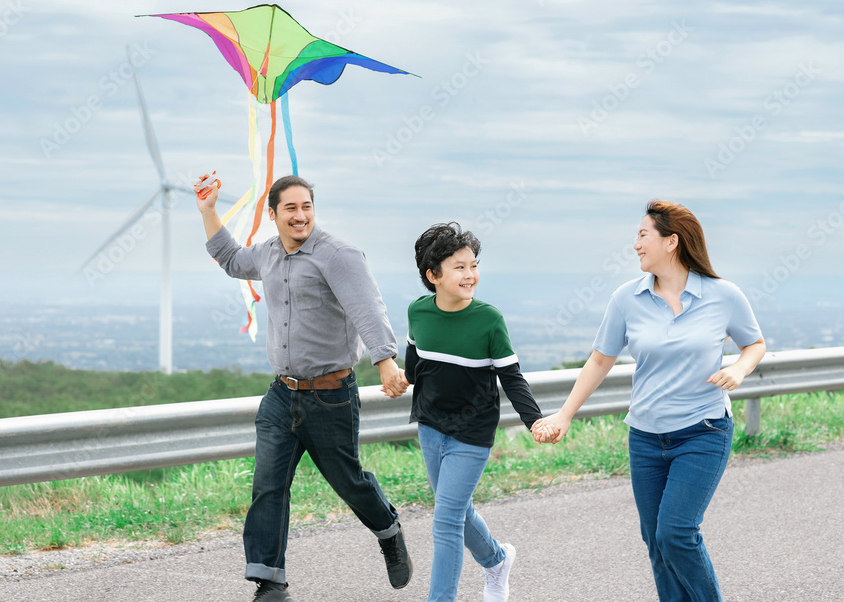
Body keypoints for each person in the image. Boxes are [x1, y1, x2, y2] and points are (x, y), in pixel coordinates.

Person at [532, 200, 766, 602]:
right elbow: (600, 359)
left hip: (703, 431)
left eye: (643, 235)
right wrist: (565, 415)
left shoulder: (723, 294)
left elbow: (755, 344)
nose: (636, 245)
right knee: (656, 543)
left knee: (676, 533)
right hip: (645, 438)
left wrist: (739, 370)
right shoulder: (627, 298)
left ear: (671, 241)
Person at [196, 174, 413, 602]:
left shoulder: (338, 256)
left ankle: (388, 531)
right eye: (290, 208)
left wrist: (386, 361)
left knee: (348, 481)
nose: (300, 216)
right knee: (268, 485)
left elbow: (367, 308)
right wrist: (208, 211)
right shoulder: (268, 254)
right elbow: (231, 259)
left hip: (330, 395)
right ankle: (270, 583)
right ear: (273, 215)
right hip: (281, 395)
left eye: (307, 207)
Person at [404, 222, 547, 602]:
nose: (470, 275)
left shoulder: (488, 319)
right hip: (431, 426)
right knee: (457, 511)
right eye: (459, 267)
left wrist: (534, 421)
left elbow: (512, 378)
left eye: (473, 265)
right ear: (433, 275)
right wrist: (399, 378)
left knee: (446, 520)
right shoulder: (418, 312)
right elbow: (414, 362)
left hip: (472, 430)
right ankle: (497, 561)